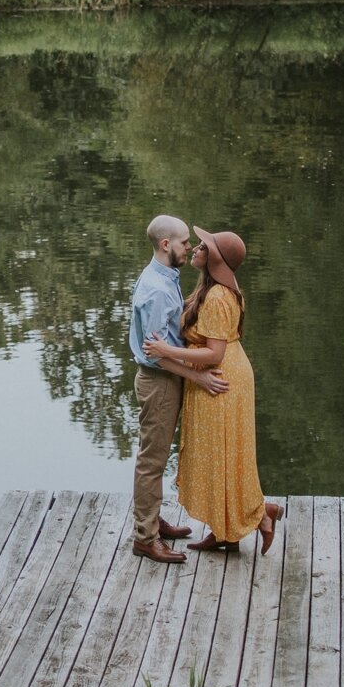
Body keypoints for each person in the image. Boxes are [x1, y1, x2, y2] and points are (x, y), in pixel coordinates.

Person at [143, 226, 284, 554]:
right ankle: (227, 532)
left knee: (222, 455)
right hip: (219, 376)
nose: (195, 249)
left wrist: (167, 351)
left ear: (215, 259)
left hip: (220, 379)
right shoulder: (214, 288)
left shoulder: (219, 296)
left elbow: (214, 353)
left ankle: (256, 514)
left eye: (203, 247)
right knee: (222, 456)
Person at [128, 213, 221, 564]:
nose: (189, 247)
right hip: (159, 383)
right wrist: (199, 377)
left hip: (167, 380)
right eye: (184, 242)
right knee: (151, 461)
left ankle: (152, 520)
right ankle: (145, 537)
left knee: (156, 455)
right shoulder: (156, 289)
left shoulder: (164, 275)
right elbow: (155, 355)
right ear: (166, 245)